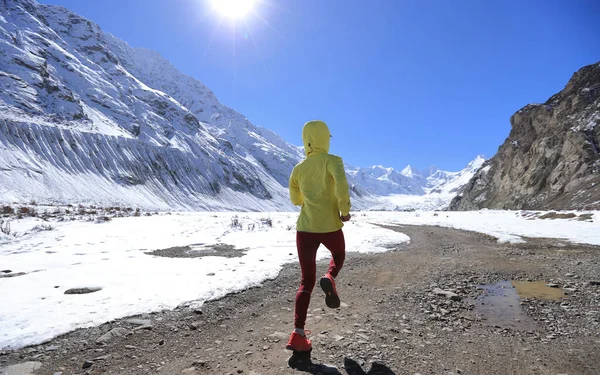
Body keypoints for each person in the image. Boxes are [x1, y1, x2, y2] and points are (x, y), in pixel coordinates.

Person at [286, 120, 351, 352]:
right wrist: (344, 211)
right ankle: (331, 276)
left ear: (306, 140)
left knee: (306, 282)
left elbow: (295, 199)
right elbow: (342, 185)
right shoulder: (334, 161)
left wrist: (307, 201)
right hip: (330, 226)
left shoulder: (298, 169)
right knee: (339, 255)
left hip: (305, 229)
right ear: (326, 139)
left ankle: (298, 335)